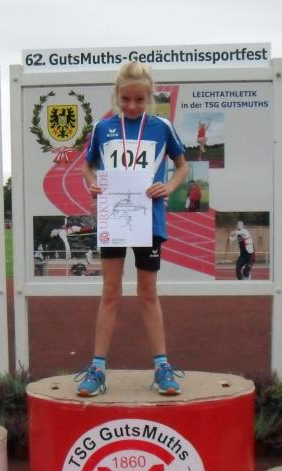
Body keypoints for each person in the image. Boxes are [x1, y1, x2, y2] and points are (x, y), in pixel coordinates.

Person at [77, 61, 189, 396]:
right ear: (116, 95)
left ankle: (162, 367)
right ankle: (97, 368)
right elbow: (87, 167)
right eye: (125, 99)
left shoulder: (162, 127)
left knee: (148, 292)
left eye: (140, 99)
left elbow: (182, 167)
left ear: (149, 96)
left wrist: (168, 187)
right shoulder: (103, 128)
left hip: (148, 219)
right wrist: (93, 184)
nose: (132, 106)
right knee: (110, 291)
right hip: (113, 218)